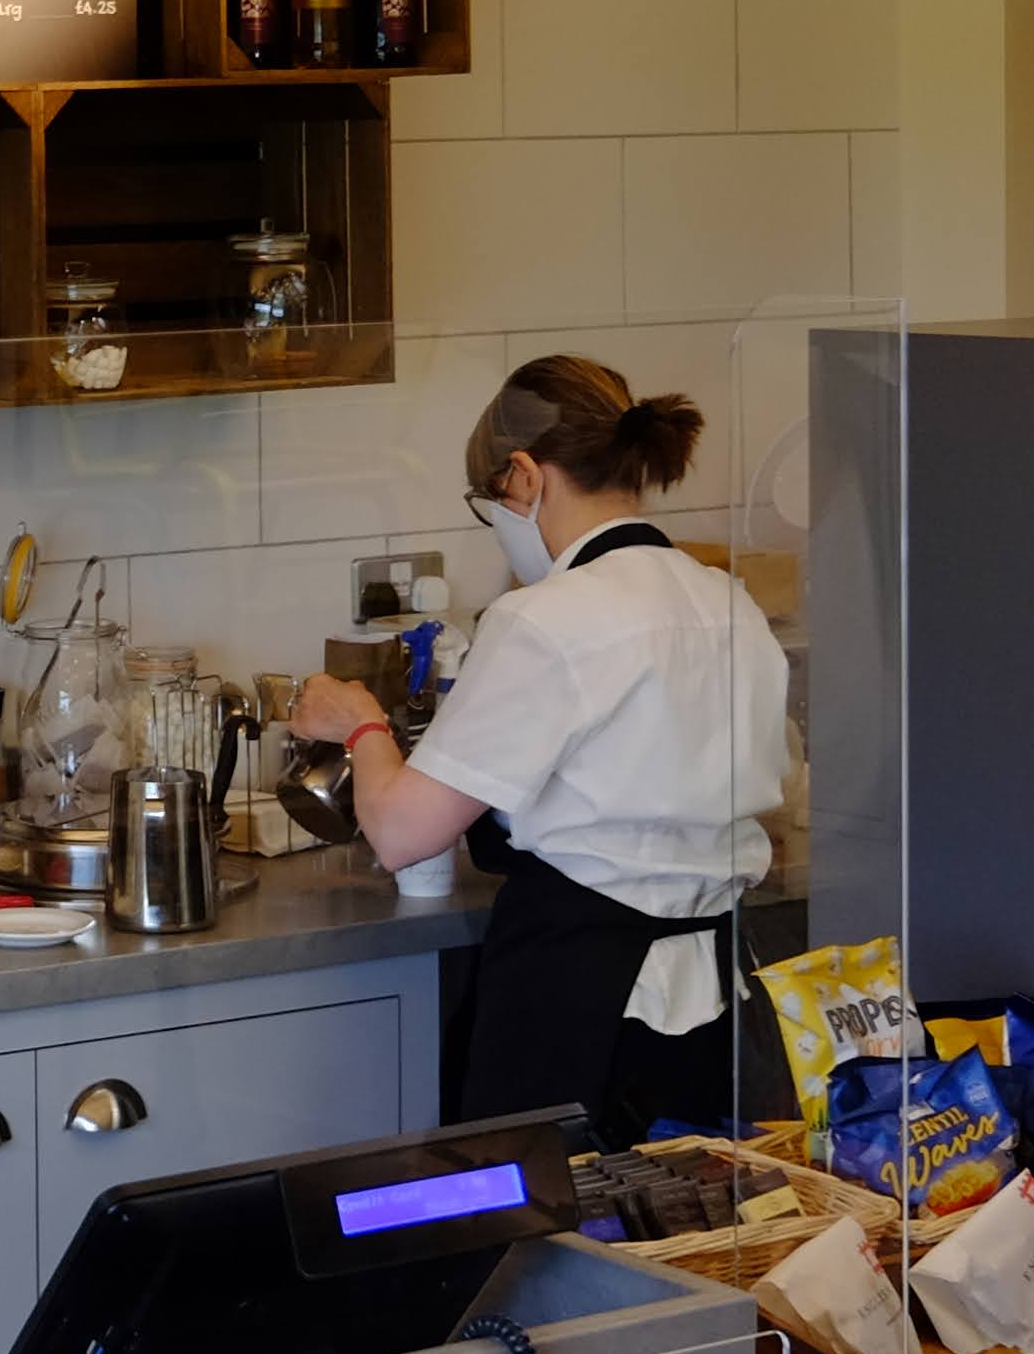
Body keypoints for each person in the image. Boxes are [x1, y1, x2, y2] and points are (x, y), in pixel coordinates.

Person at [282, 355, 790, 1143]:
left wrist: (360, 722)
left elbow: (403, 831)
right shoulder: (728, 602)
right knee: (673, 1207)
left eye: (492, 499)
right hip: (714, 998)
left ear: (524, 476)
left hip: (576, 997)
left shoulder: (545, 618)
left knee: (539, 1212)